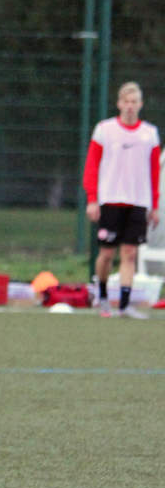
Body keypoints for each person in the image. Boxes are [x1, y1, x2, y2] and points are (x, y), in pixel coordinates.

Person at [83, 81, 160, 319]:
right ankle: (103, 297)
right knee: (106, 254)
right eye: (125, 102)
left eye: (134, 102)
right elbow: (92, 165)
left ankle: (124, 305)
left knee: (130, 254)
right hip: (110, 201)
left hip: (138, 202)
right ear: (119, 104)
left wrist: (154, 205)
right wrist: (92, 198)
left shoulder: (149, 134)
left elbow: (154, 171)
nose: (129, 106)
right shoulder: (104, 130)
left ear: (140, 105)